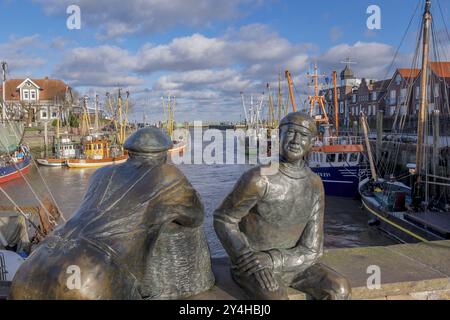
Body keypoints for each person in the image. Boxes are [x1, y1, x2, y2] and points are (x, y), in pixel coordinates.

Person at [9, 127, 214, 300]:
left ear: (129, 150)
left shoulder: (102, 172)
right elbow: (196, 215)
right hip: (92, 272)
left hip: (36, 263)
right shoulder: (167, 175)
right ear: (165, 152)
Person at [214, 112, 351, 300]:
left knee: (339, 289)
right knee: (276, 297)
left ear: (312, 142)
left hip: (294, 262)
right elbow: (224, 219)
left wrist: (273, 259)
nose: (295, 140)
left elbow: (313, 249)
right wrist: (245, 257)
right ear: (280, 136)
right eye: (290, 132)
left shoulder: (314, 184)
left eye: (303, 135)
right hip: (255, 265)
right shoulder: (259, 178)